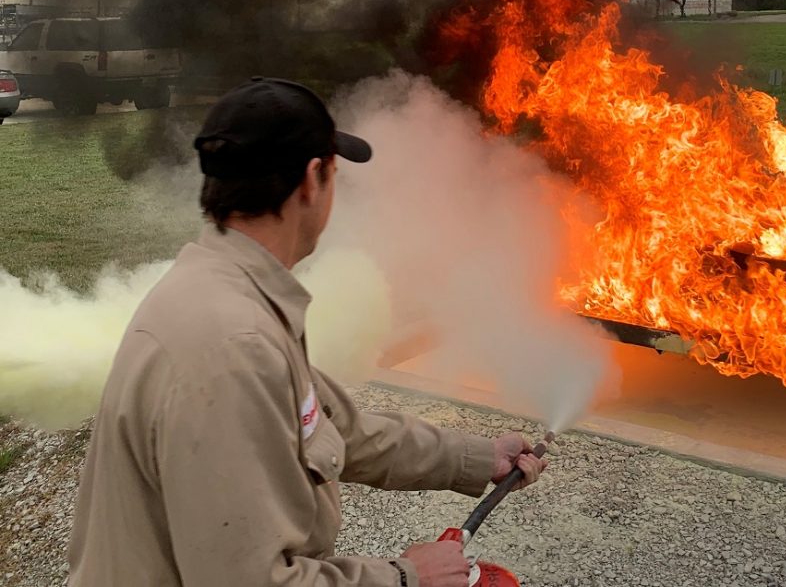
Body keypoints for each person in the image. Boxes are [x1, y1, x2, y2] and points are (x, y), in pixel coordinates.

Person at [69, 77, 546, 587]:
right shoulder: (235, 345)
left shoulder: (232, 295)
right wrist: (407, 578)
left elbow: (339, 431)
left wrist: (474, 459)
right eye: (336, 172)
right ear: (312, 178)